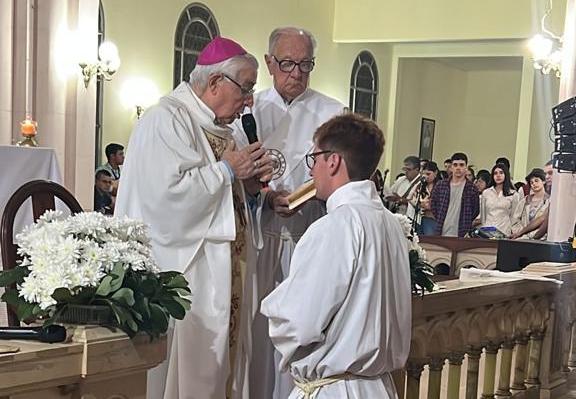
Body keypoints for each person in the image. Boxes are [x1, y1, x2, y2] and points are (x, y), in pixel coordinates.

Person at [115, 37, 272, 399]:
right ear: (217, 83)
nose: (249, 101)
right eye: (246, 88)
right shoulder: (165, 120)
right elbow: (166, 199)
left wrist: (247, 187)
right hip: (188, 274)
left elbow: (223, 202)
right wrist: (227, 171)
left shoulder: (224, 131)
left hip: (223, 273)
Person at [261, 113, 411, 399]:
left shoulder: (334, 227)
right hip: (377, 387)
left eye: (313, 159)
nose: (310, 171)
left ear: (333, 161)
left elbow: (300, 324)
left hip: (335, 389)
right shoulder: (391, 224)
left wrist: (273, 306)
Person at [231, 26, 346, 399]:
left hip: (310, 234)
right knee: (257, 325)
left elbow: (344, 176)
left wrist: (314, 195)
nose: (296, 73)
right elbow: (234, 176)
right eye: (287, 64)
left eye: (305, 64)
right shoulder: (247, 109)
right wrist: (263, 197)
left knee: (302, 323)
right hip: (260, 235)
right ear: (268, 63)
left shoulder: (332, 112)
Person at [431, 152, 479, 237]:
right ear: (451, 167)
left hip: (462, 232)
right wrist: (440, 217)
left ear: (466, 168)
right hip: (441, 231)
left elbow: (475, 210)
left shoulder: (472, 188)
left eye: (461, 165)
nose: (458, 168)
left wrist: (466, 221)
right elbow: (434, 205)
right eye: (455, 165)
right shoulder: (441, 185)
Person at [479, 163, 520, 236]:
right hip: (487, 231)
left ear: (506, 175)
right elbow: (483, 216)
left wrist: (511, 231)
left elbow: (514, 217)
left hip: (504, 231)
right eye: (495, 173)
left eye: (501, 173)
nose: (498, 175)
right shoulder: (486, 193)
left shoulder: (514, 194)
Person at [511, 168, 550, 239]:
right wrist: (521, 233)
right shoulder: (524, 201)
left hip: (540, 239)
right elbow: (515, 221)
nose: (534, 184)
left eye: (536, 181)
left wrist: (532, 235)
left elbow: (544, 221)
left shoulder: (549, 201)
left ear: (543, 181)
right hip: (521, 238)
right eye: (531, 182)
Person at [415, 161, 441, 235]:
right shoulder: (421, 186)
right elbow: (412, 198)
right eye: (423, 174)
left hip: (434, 218)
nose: (426, 177)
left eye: (428, 174)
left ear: (435, 173)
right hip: (421, 218)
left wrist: (429, 205)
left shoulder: (440, 186)